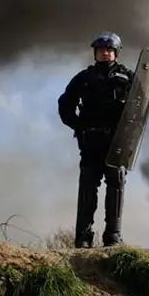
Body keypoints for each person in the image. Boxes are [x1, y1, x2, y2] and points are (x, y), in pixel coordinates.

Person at [58, 31, 134, 248]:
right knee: (88, 187)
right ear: (95, 53)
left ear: (116, 52)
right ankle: (83, 237)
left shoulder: (128, 77)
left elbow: (140, 108)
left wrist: (129, 136)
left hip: (117, 141)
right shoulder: (84, 78)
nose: (104, 53)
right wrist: (78, 126)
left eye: (109, 50)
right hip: (91, 140)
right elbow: (65, 104)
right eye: (100, 50)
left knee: (116, 185)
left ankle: (113, 236)